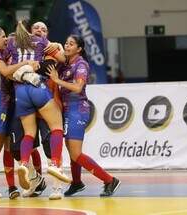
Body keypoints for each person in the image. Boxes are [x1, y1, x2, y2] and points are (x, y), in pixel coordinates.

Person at [46, 34, 121, 197]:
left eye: (71, 44)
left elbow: (78, 88)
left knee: (75, 153)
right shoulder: (64, 64)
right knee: (70, 148)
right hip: (67, 109)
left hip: (77, 108)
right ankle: (77, 182)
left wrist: (57, 81)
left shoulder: (81, 64)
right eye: (66, 43)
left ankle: (109, 180)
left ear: (79, 49)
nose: (66, 46)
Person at [0, 26, 39, 202]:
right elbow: (5, 71)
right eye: (2, 37)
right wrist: (26, 63)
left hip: (4, 104)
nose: (5, 39)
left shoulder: (0, 54)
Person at [5, 20, 71, 191]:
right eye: (36, 28)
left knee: (28, 133)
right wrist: (57, 47)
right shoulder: (42, 42)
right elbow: (63, 59)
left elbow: (7, 69)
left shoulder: (12, 42)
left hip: (20, 91)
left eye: (43, 29)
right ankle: (55, 165)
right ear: (30, 30)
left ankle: (24, 164)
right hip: (37, 87)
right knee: (56, 127)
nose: (39, 31)